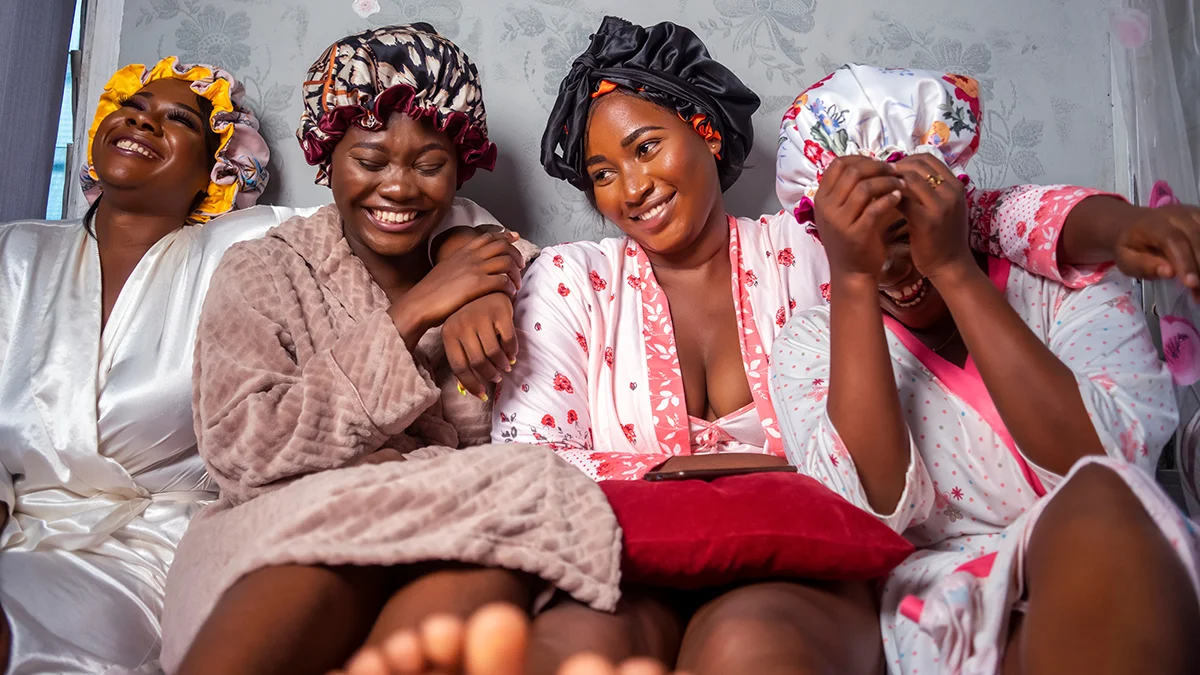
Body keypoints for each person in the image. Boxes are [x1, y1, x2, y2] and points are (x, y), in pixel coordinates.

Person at [490, 17, 1200, 675]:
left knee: (753, 636)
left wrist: (1114, 225)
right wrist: (744, 466)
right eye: (602, 173)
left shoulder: (807, 247)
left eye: (646, 147)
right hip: (639, 554)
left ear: (705, 128)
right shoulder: (576, 280)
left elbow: (999, 215)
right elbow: (526, 463)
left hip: (804, 558)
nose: (632, 187)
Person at [159, 25, 622, 675]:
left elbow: (538, 442)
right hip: (283, 533)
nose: (400, 188)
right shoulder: (262, 271)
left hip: (449, 537)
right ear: (326, 157)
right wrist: (412, 313)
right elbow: (242, 448)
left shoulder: (510, 273)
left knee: (512, 526)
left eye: (429, 165)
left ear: (460, 165)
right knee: (336, 562)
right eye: (370, 162)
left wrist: (486, 283)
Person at [770, 64, 1200, 675]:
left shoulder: (1061, 285)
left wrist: (951, 268)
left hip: (1111, 560)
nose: (901, 269)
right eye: (868, 248)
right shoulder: (811, 343)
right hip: (949, 609)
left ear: (954, 203)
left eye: (911, 231)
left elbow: (1106, 459)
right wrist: (854, 280)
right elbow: (864, 509)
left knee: (1104, 499)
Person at [0, 56, 271, 674]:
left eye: (179, 120)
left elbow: (388, 213)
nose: (142, 121)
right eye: (134, 106)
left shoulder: (241, 252)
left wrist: (457, 249)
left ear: (216, 169)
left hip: (145, 549)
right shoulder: (13, 251)